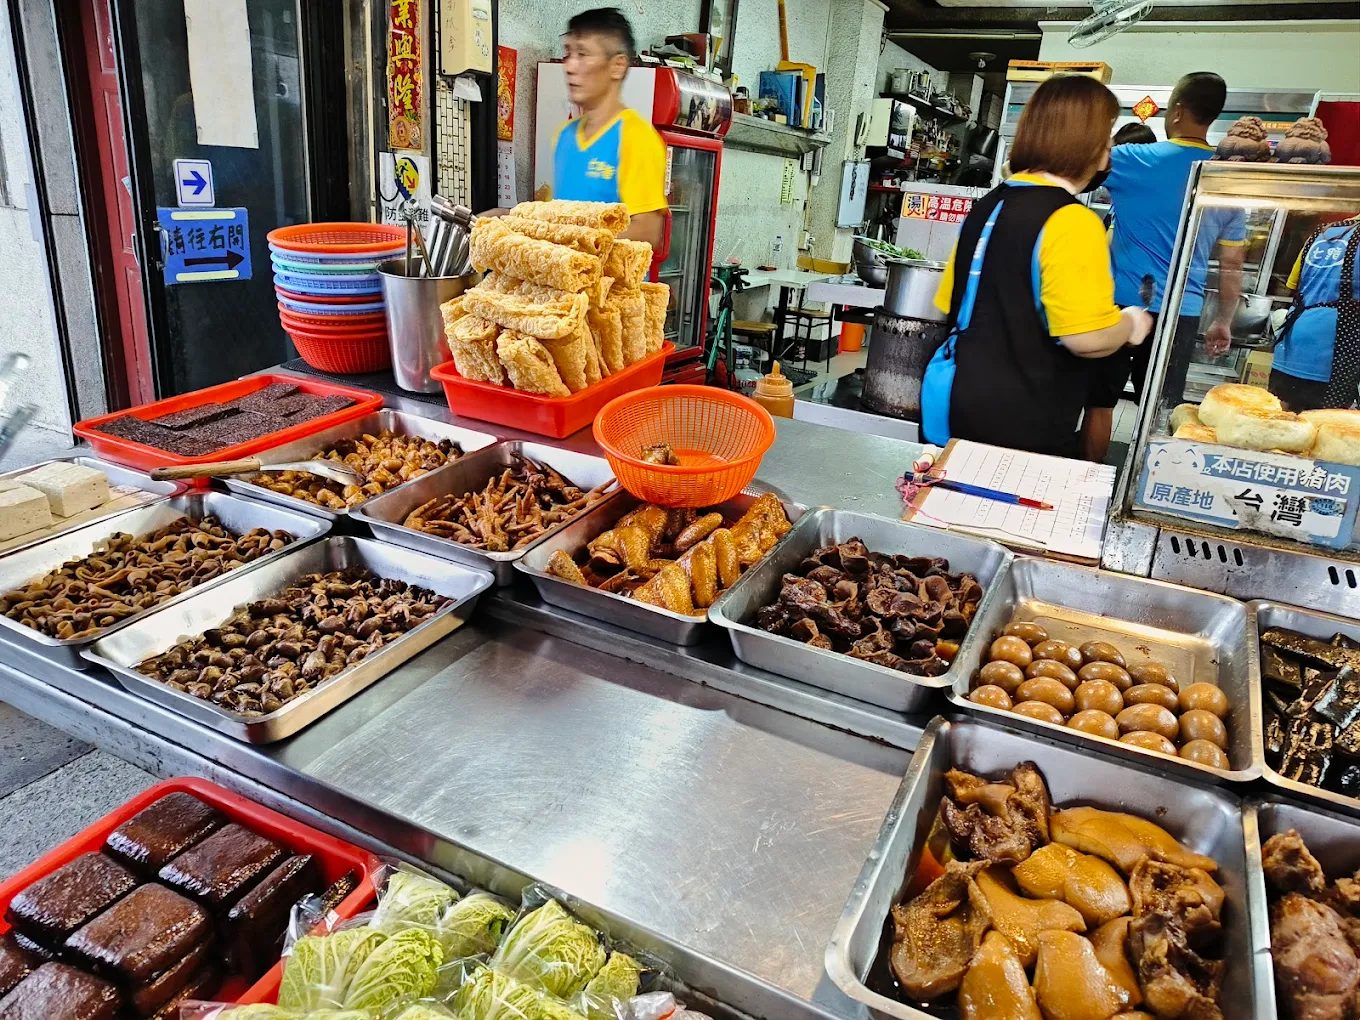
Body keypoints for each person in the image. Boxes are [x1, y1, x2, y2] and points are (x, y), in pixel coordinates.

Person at [921, 75, 1154, 458]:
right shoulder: (1072, 220)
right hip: (1023, 422)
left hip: (954, 403)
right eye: (1106, 135)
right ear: (1086, 143)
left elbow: (949, 302)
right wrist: (1131, 323)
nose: (1110, 147)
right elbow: (1086, 338)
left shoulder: (987, 206)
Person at [1101, 72, 1247, 410]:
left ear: (1178, 111)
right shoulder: (1224, 177)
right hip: (1182, 312)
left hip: (1121, 303)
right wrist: (1223, 320)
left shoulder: (1132, 158)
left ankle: (1094, 462)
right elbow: (1231, 265)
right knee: (1163, 408)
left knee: (1100, 403)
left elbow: (1078, 169)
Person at [545, 8, 667, 250]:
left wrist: (579, 246)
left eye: (582, 54)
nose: (569, 66)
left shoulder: (635, 136)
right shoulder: (564, 135)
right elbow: (554, 218)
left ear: (617, 66)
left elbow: (648, 231)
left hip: (608, 286)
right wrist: (508, 219)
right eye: (568, 53)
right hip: (566, 285)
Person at [1084, 121, 1159, 461]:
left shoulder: (1124, 209)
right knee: (1153, 405)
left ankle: (1089, 471)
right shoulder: (1165, 200)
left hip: (1120, 307)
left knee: (1100, 401)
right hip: (1163, 308)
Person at [1269, 215, 1360, 410]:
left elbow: (1295, 285)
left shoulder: (1323, 233)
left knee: (1279, 423)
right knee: (1327, 428)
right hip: (1334, 354)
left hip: (1293, 343)